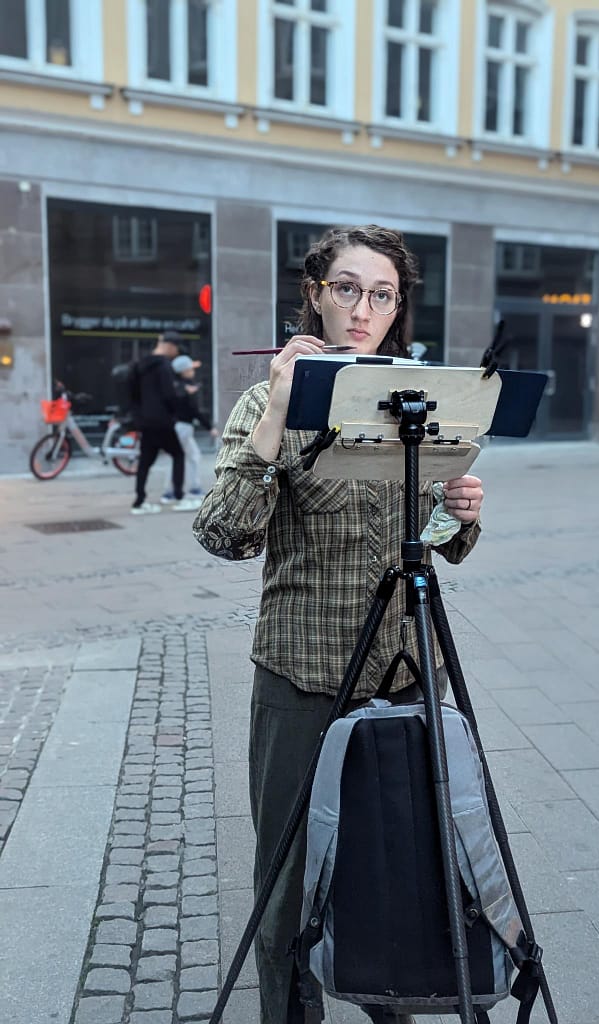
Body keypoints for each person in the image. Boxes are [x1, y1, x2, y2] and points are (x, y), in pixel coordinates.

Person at [192, 225, 484, 1024]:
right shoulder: (267, 399)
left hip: (402, 675)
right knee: (288, 882)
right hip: (303, 677)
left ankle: (391, 1002)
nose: (364, 308)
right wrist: (280, 410)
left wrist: (455, 514)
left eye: (382, 293)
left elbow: (429, 543)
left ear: (398, 307)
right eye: (347, 288)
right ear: (314, 295)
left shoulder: (415, 397)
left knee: (391, 867)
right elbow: (223, 532)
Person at [131, 330, 201, 515]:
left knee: (145, 462)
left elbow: (134, 394)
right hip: (163, 420)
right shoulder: (164, 366)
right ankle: (178, 497)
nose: (176, 352)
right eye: (176, 348)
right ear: (170, 345)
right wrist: (176, 409)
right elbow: (169, 394)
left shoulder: (141, 364)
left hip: (146, 421)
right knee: (178, 455)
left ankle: (139, 501)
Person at [160, 354, 218, 506]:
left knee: (191, 457)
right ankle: (174, 491)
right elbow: (194, 411)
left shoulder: (177, 385)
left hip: (180, 427)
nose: (193, 370)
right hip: (182, 427)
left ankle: (188, 488)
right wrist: (209, 427)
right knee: (181, 458)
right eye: (191, 368)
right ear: (184, 371)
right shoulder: (182, 388)